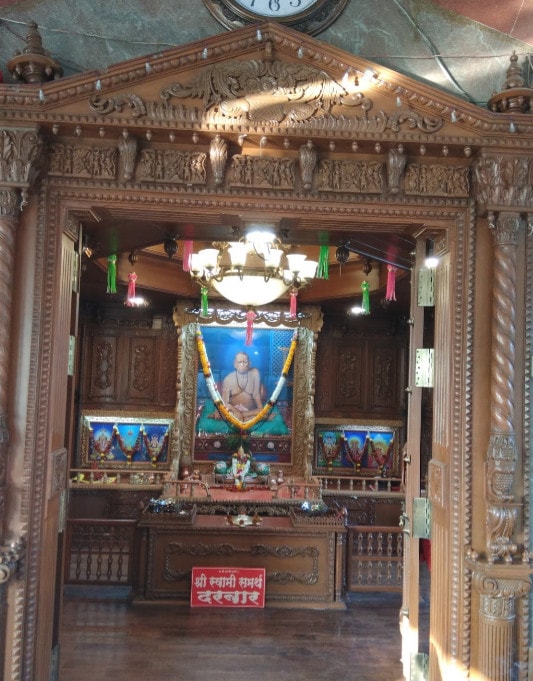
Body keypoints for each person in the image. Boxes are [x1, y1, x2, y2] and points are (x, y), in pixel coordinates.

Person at [220, 351, 263, 422]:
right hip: (233, 412)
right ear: (235, 364)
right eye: (239, 362)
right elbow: (225, 404)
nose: (242, 365)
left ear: (249, 363)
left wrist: (261, 410)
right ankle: (245, 417)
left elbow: (256, 395)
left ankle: (244, 416)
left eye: (245, 362)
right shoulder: (228, 379)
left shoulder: (255, 373)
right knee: (221, 413)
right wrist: (236, 411)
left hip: (250, 410)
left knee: (264, 412)